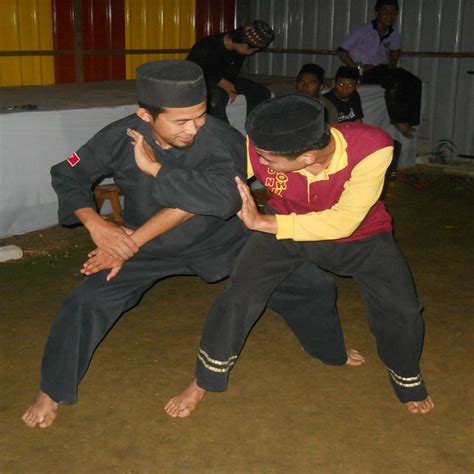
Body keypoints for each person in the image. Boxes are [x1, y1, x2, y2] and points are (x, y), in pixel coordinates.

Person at [21, 61, 359, 429]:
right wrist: (97, 224)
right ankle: (52, 390)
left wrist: (128, 242)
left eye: (199, 116)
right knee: (85, 300)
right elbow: (67, 173)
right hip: (149, 246)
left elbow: (215, 200)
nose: (194, 128)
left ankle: (330, 350)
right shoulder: (119, 135)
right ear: (146, 114)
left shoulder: (221, 139)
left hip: (221, 239)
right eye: (181, 121)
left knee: (313, 285)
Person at [166, 94, 434, 418]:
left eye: (269, 161)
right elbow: (223, 178)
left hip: (360, 238)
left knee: (402, 310)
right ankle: (204, 380)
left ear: (307, 157)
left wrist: (261, 222)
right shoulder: (263, 143)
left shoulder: (373, 148)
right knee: (239, 296)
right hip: (282, 232)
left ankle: (405, 375)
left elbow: (343, 221)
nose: (261, 165)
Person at [337, 0, 421, 138]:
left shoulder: (393, 34)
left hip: (381, 68)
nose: (390, 16)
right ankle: (398, 120)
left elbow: (395, 51)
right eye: (385, 12)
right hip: (365, 70)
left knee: (415, 81)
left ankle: (410, 121)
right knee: (394, 82)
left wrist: (393, 66)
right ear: (377, 13)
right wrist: (357, 69)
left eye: (393, 13)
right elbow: (341, 51)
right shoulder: (363, 31)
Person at [187, 20, 274, 123]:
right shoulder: (205, 47)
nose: (252, 53)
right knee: (216, 99)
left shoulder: (239, 51)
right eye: (254, 50)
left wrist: (228, 83)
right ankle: (222, 132)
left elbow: (232, 73)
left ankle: (254, 125)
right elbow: (191, 74)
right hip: (199, 82)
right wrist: (219, 81)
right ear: (244, 46)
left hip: (222, 80)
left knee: (261, 92)